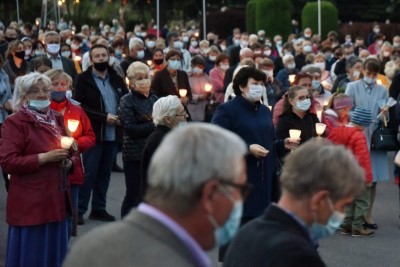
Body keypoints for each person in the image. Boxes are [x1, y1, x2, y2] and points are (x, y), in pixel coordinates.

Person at [63, 123, 249, 267]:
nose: (240, 201)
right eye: (240, 190)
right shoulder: (174, 260)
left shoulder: (91, 246)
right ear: (210, 194)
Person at [223, 139, 365, 267]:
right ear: (320, 200)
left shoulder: (246, 234)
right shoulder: (299, 257)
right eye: (343, 205)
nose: (342, 214)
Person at [0, 72, 79, 267]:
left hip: (57, 199)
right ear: (24, 96)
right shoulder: (15, 122)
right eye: (35, 91)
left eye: (45, 90)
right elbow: (8, 162)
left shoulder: (57, 118)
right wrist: (45, 158)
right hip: (32, 204)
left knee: (55, 255)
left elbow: (71, 152)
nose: (42, 94)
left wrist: (70, 162)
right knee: (32, 256)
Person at [212, 67, 299, 224]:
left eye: (261, 83)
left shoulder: (265, 111)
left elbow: (269, 142)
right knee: (236, 240)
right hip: (240, 182)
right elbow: (217, 141)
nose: (259, 87)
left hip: (265, 184)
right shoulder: (227, 110)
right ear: (241, 86)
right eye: (255, 83)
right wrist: (247, 148)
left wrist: (282, 144)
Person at [73, 44, 128, 224]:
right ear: (91, 59)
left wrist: (122, 115)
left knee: (105, 173)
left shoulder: (117, 78)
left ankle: (99, 208)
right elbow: (80, 106)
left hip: (113, 135)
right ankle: (79, 210)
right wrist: (104, 117)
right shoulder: (83, 79)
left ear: (109, 57)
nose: (101, 58)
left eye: (104, 55)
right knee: (89, 172)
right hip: (94, 134)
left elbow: (125, 100)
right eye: (97, 56)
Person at [45, 69, 95, 237]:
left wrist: (74, 144)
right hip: (48, 172)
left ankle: (64, 251)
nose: (59, 88)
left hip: (72, 171)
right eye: (55, 84)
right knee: (50, 216)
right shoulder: (42, 111)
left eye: (63, 84)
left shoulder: (77, 110)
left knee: (68, 214)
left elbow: (90, 136)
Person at [345, 57, 389, 230]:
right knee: (356, 175)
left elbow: (385, 115)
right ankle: (353, 214)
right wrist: (360, 120)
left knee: (374, 178)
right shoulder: (352, 87)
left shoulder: (382, 89)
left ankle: (368, 214)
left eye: (374, 73)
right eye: (368, 72)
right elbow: (345, 110)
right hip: (357, 133)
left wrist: (385, 113)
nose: (371, 76)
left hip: (376, 138)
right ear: (363, 70)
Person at [327, 107, 375, 237]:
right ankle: (357, 227)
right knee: (362, 201)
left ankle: (346, 225)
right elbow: (363, 160)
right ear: (362, 123)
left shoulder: (336, 131)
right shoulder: (358, 136)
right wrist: (368, 179)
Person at [119, 61, 158, 218]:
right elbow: (130, 129)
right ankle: (126, 226)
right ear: (131, 81)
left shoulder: (154, 99)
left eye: (146, 77)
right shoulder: (126, 101)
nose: (144, 81)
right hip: (134, 154)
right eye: (139, 78)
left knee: (151, 194)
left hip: (153, 152)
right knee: (133, 193)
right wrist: (154, 124)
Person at [141, 95, 187, 197]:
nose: (186, 116)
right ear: (168, 119)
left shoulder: (169, 136)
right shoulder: (160, 140)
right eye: (182, 113)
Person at [0, 54, 13, 191]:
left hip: (4, 119)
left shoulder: (4, 74)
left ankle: (11, 186)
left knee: (5, 155)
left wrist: (9, 103)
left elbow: (9, 94)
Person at [187, 55, 211, 121]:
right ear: (192, 65)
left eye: (201, 66)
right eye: (197, 66)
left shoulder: (207, 78)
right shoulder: (187, 77)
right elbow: (185, 93)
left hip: (204, 108)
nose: (199, 68)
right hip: (191, 108)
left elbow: (212, 92)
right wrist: (198, 97)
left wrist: (209, 94)